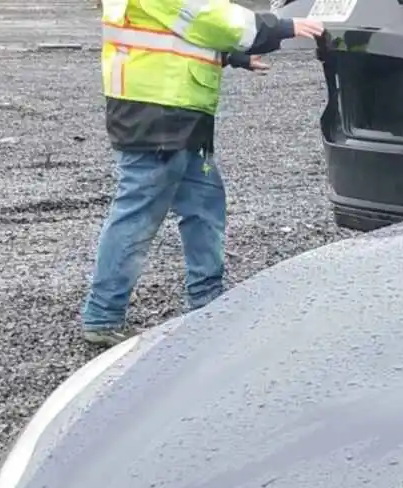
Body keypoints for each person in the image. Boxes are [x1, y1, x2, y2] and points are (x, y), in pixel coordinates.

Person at [80, 0, 323, 344]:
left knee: (205, 205)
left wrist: (230, 56)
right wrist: (278, 26)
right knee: (138, 213)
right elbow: (208, 17)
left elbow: (174, 32)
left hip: (178, 109)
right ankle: (103, 315)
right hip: (158, 111)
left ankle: (208, 304)